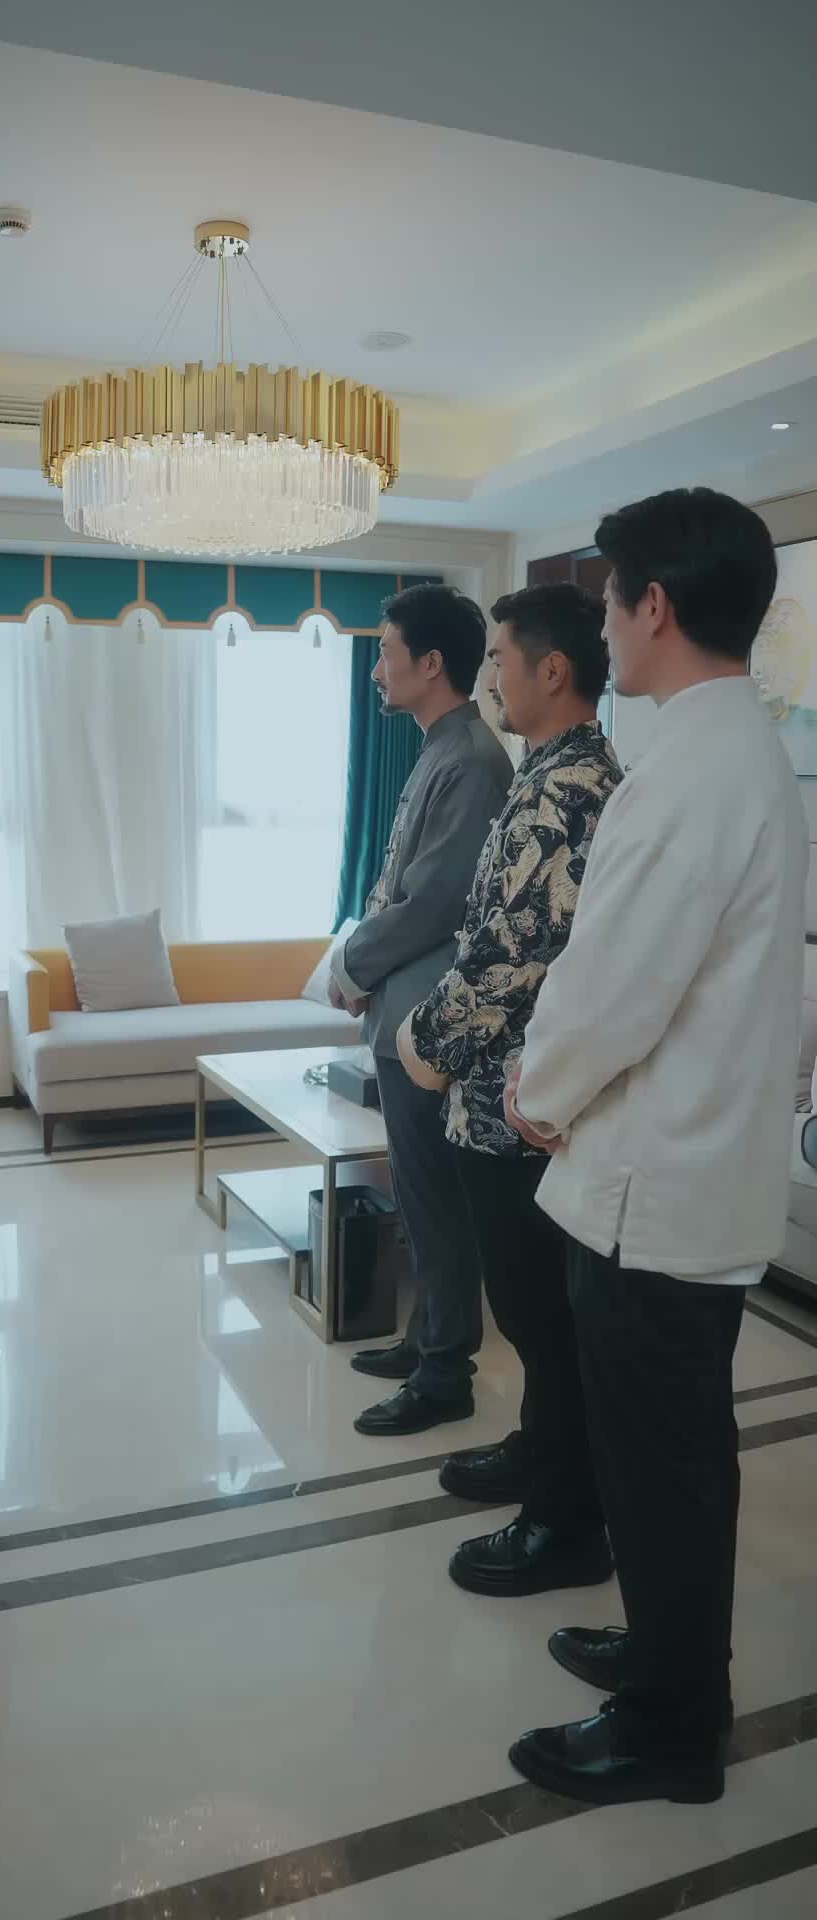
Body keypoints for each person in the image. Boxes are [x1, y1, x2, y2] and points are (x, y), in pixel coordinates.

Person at [504, 489, 806, 1807]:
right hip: (695, 1169)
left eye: (614, 601)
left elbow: (613, 984)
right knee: (670, 1454)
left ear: (656, 608)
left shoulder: (686, 770)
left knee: (664, 1462)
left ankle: (672, 1728)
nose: (607, 627)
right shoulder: (745, 750)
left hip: (655, 1185)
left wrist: (539, 1090)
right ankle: (666, 1653)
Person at [397, 584, 621, 1584]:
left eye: (498, 657)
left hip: (522, 1105)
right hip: (503, 1099)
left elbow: (509, 960)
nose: (490, 674)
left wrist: (423, 1041)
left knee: (539, 1313)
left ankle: (563, 1524)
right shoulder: (551, 771)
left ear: (552, 671)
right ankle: (540, 1453)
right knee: (530, 1311)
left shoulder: (565, 789)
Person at [328, 584, 512, 1436]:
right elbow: (397, 880)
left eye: (385, 652)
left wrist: (351, 963)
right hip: (404, 1007)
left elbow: (434, 901)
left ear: (431, 663)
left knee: (435, 1197)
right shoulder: (440, 747)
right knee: (416, 1190)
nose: (376, 670)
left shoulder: (470, 758)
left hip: (429, 1018)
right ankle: (424, 1336)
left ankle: (445, 1373)